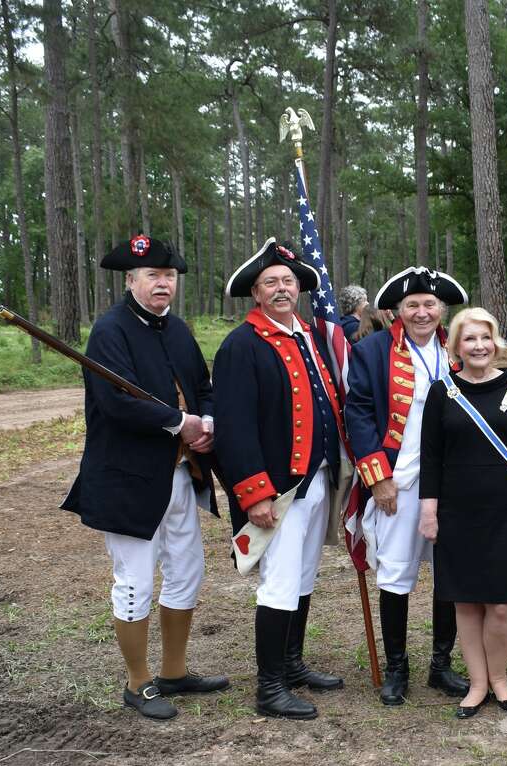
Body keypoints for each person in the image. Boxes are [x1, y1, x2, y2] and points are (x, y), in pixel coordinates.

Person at [62, 234, 227, 721]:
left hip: (180, 473)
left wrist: (208, 423)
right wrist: (179, 423)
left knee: (187, 571)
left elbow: (201, 388)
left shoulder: (177, 330)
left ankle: (174, 671)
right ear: (131, 280)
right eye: (153, 276)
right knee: (135, 581)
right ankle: (138, 682)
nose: (163, 283)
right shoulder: (109, 330)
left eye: (169, 275)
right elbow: (115, 403)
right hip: (128, 478)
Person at [213, 238, 348, 720]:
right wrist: (254, 494)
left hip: (319, 478)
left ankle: (292, 665)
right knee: (279, 583)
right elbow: (234, 427)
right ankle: (270, 688)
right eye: (270, 282)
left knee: (303, 576)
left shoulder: (311, 336)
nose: (281, 288)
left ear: (300, 288)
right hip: (278, 490)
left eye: (288, 281)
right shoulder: (242, 345)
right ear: (256, 292)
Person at [344, 266, 471, 706]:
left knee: (449, 575)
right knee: (396, 574)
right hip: (398, 481)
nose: (422, 312)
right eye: (413, 305)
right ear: (398, 309)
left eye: (430, 304)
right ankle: (398, 667)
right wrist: (378, 478)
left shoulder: (456, 351)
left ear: (442, 309)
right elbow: (357, 414)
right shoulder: (374, 350)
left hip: (452, 482)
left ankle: (442, 664)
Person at [418, 308, 507, 718]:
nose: (479, 346)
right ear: (456, 346)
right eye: (470, 339)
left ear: (496, 342)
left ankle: (499, 677)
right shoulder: (442, 392)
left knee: (501, 606)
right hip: (459, 512)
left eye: (486, 338)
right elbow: (431, 457)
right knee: (467, 603)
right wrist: (430, 512)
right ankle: (477, 683)